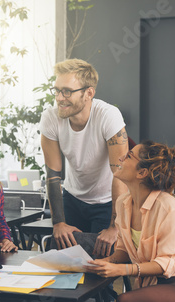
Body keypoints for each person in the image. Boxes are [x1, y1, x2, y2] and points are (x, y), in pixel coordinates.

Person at [85, 140, 175, 302]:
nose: (120, 157)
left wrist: (121, 271)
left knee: (126, 300)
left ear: (142, 173)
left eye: (128, 156)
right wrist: (107, 262)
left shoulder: (167, 206)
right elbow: (124, 250)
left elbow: (165, 264)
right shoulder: (123, 203)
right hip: (152, 290)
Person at [40, 58, 128, 257]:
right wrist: (59, 222)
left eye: (67, 91)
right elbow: (53, 174)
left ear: (89, 93)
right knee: (63, 264)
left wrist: (115, 226)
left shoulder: (108, 116)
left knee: (98, 270)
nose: (60, 98)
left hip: (106, 202)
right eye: (57, 90)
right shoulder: (50, 118)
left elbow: (120, 175)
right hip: (72, 199)